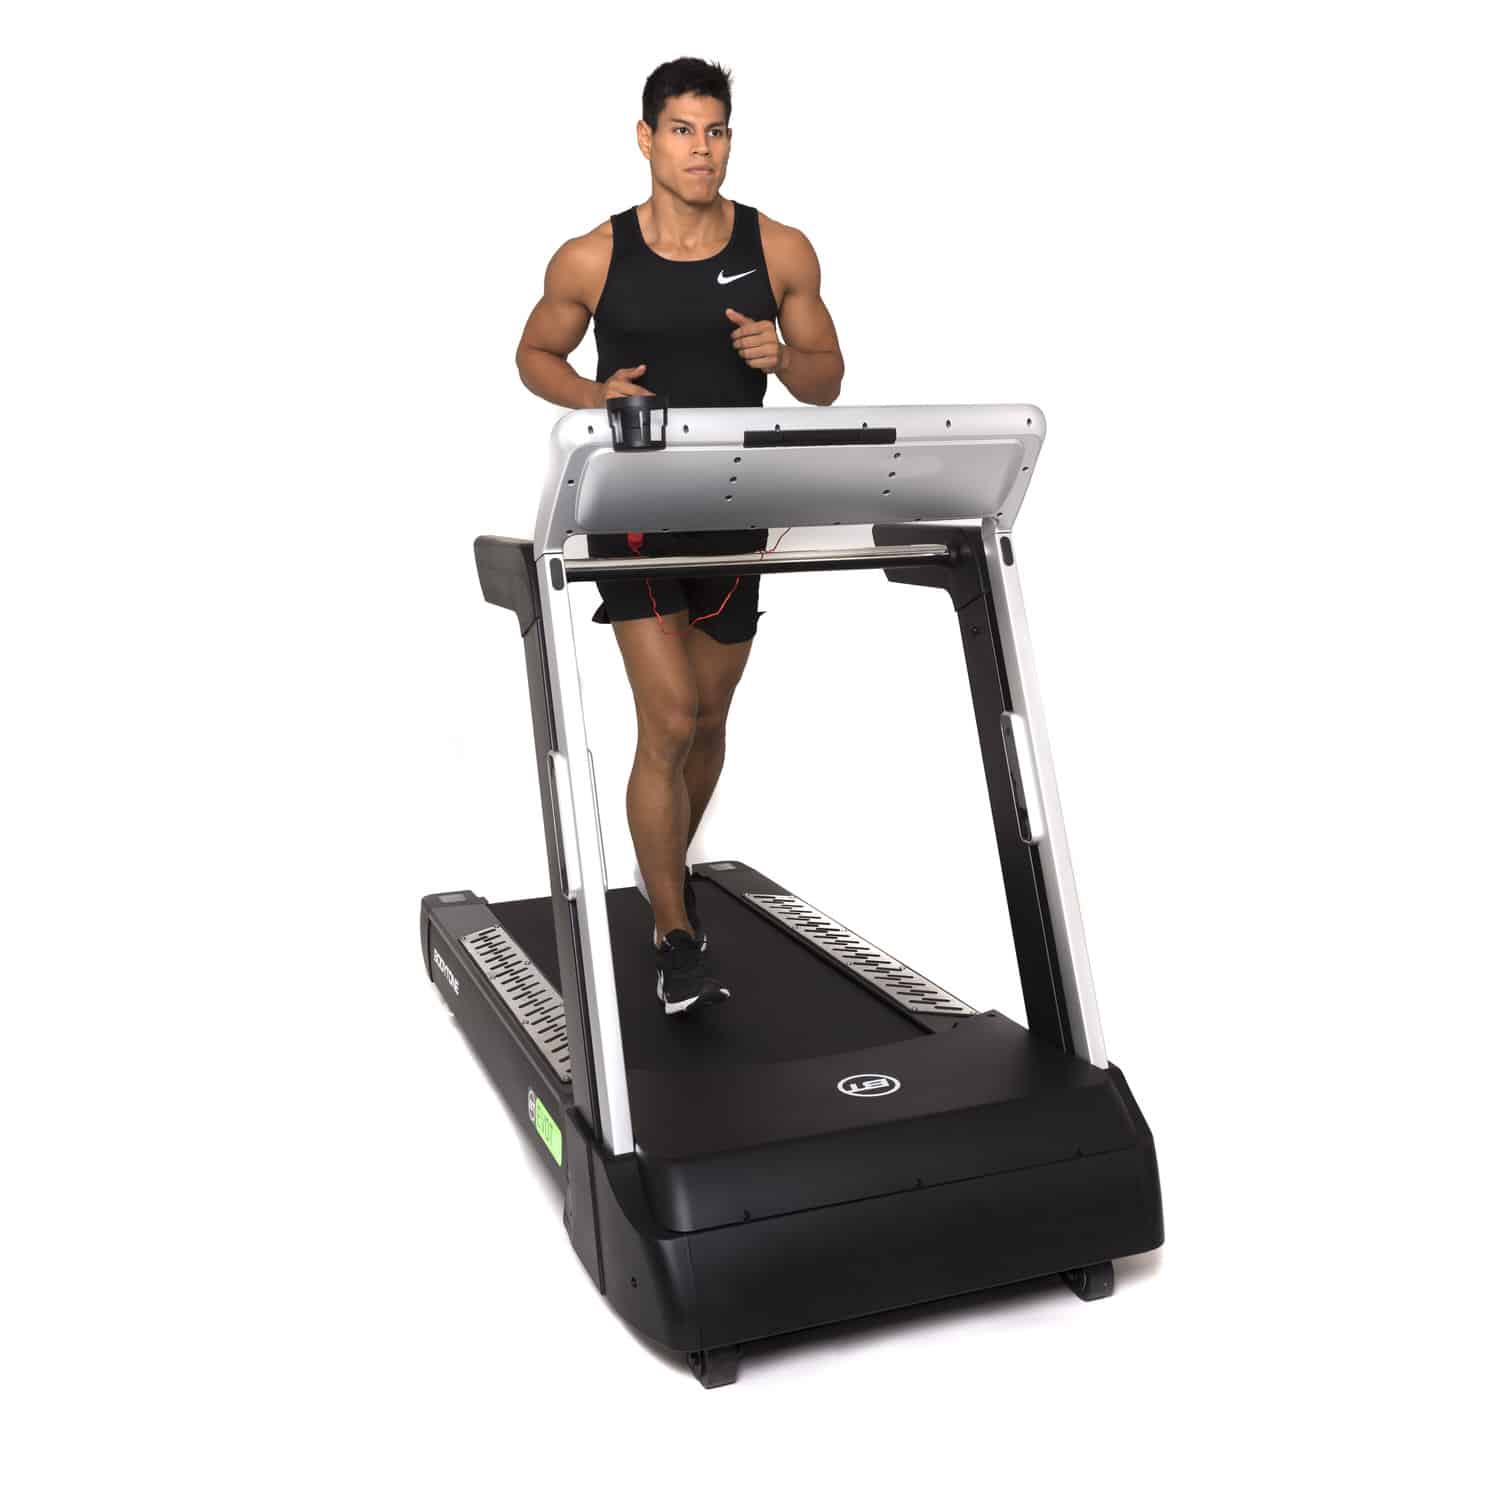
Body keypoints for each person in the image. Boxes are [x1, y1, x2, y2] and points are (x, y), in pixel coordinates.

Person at [514, 57, 844, 1015]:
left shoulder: (780, 248)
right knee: (666, 718)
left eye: (716, 130)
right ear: (646, 138)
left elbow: (825, 380)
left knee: (707, 720)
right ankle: (674, 930)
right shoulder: (592, 256)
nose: (702, 149)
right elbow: (534, 352)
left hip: (737, 511)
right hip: (633, 513)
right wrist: (591, 392)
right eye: (682, 130)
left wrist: (783, 357)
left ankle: (668, 867)